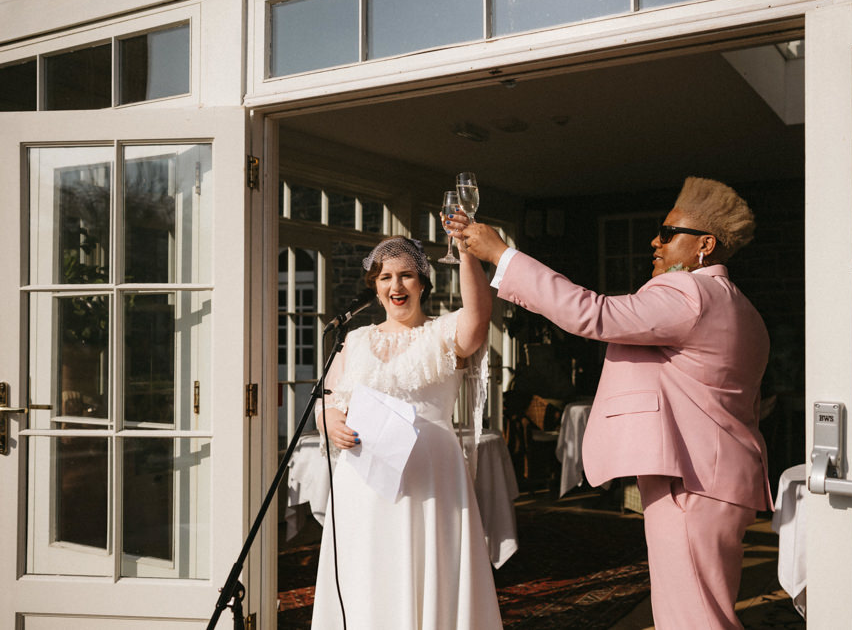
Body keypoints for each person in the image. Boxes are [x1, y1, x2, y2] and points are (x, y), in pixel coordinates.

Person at [449, 177, 772, 630]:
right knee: (708, 613)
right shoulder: (743, 308)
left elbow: (593, 314)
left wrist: (503, 255)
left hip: (691, 484)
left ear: (705, 245)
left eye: (667, 232)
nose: (654, 242)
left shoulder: (687, 293)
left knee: (692, 620)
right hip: (726, 480)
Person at [312, 235, 503, 629]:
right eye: (385, 277)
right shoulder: (356, 339)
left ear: (423, 284)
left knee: (427, 569)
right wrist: (330, 421)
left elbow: (479, 316)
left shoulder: (443, 332)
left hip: (430, 479)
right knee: (368, 570)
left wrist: (465, 251)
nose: (395, 286)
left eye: (406, 276)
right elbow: (328, 400)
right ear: (375, 287)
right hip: (363, 482)